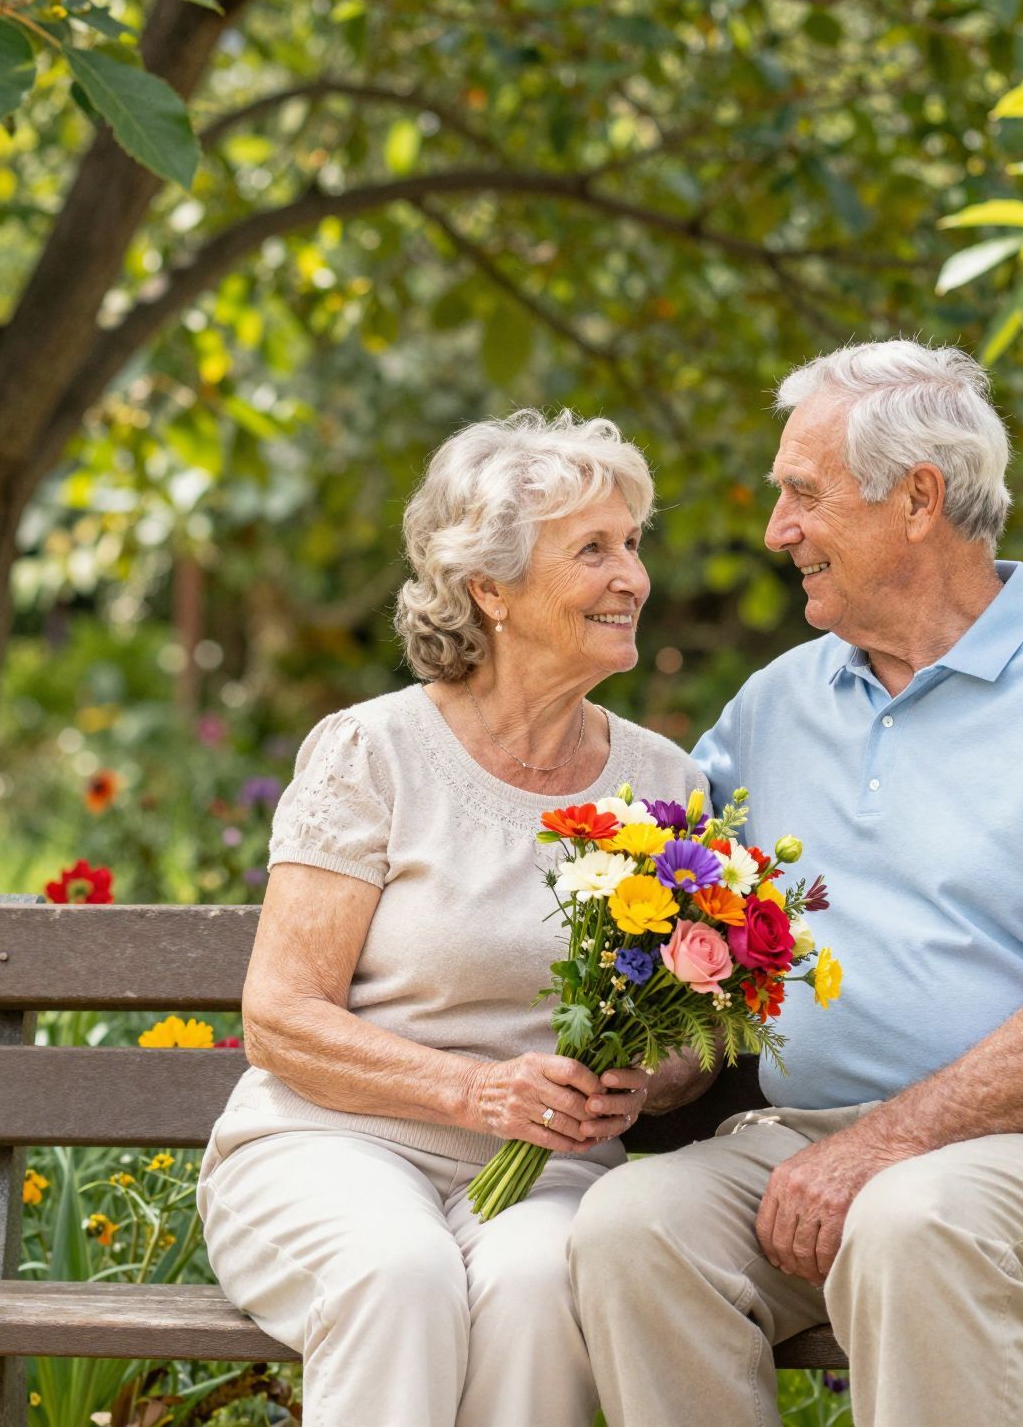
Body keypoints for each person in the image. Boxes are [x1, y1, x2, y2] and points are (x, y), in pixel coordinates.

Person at [569, 340, 1023, 1427]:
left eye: (801, 495)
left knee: (909, 1222)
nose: (777, 533)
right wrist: (645, 1064)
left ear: (917, 501)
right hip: (810, 1145)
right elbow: (694, 938)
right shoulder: (775, 707)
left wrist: (882, 1146)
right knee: (631, 1228)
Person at [197, 409, 708, 1427]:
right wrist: (476, 1092)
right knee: (398, 1271)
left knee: (538, 1286)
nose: (632, 578)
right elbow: (280, 1018)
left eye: (633, 546)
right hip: (332, 1151)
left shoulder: (663, 784)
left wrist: (647, 1078)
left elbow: (693, 1031)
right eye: (593, 550)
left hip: (549, 1178)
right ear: (491, 589)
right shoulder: (371, 752)